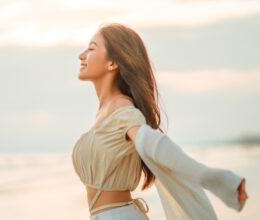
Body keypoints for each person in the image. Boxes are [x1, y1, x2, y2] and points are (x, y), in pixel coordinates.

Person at [71, 23, 248, 220]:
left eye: (91, 48)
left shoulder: (123, 111)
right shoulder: (105, 113)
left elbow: (155, 144)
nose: (82, 54)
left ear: (112, 63)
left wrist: (218, 180)